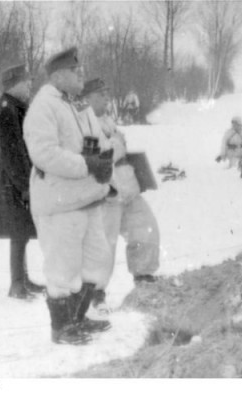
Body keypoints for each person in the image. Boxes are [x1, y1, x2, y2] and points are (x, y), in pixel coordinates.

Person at [23, 47, 114, 345]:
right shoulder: (43, 106)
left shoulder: (79, 105)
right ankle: (62, 328)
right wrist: (87, 164)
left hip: (87, 198)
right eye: (77, 71)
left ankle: (78, 317)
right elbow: (44, 154)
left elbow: (99, 141)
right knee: (62, 268)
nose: (82, 75)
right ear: (59, 75)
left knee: (95, 261)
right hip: (59, 202)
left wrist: (102, 163)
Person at [79, 78, 160, 313]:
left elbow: (115, 148)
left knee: (146, 229)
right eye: (101, 95)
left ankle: (144, 278)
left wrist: (116, 144)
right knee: (105, 245)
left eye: (106, 94)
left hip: (128, 188)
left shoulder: (107, 120)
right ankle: (95, 293)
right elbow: (101, 157)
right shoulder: (83, 123)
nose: (106, 98)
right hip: (107, 192)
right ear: (88, 98)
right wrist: (117, 144)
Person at [0, 64, 45, 300]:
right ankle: (17, 284)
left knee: (23, 231)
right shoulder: (6, 110)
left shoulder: (15, 107)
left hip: (18, 175)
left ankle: (23, 280)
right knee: (18, 230)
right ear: (14, 84)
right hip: (12, 177)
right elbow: (13, 152)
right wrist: (25, 186)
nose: (30, 86)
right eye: (26, 82)